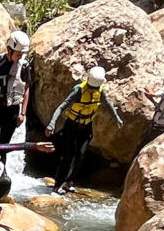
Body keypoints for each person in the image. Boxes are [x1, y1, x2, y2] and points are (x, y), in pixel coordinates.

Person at [46, 65, 123, 194]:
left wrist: (116, 117)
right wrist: (52, 123)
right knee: (67, 157)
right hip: (72, 126)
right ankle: (57, 185)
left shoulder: (100, 90)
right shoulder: (79, 90)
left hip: (86, 126)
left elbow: (107, 103)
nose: (94, 89)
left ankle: (70, 181)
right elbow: (61, 107)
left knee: (80, 155)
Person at [0, 30, 34, 145]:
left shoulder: (24, 66)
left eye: (22, 54)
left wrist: (22, 113)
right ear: (9, 50)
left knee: (5, 145)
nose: (20, 57)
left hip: (12, 112)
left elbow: (26, 88)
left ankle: (2, 162)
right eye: (18, 54)